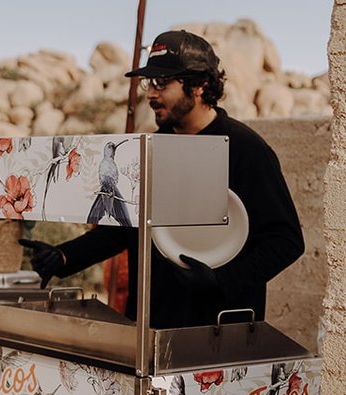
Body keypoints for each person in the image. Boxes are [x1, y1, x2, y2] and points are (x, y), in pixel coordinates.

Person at [22, 29, 305, 328]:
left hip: (219, 334)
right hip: (148, 328)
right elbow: (123, 229)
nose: (151, 94)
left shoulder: (245, 149)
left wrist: (221, 281)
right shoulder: (148, 150)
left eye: (162, 83)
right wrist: (64, 257)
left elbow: (285, 240)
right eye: (149, 83)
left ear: (199, 85)